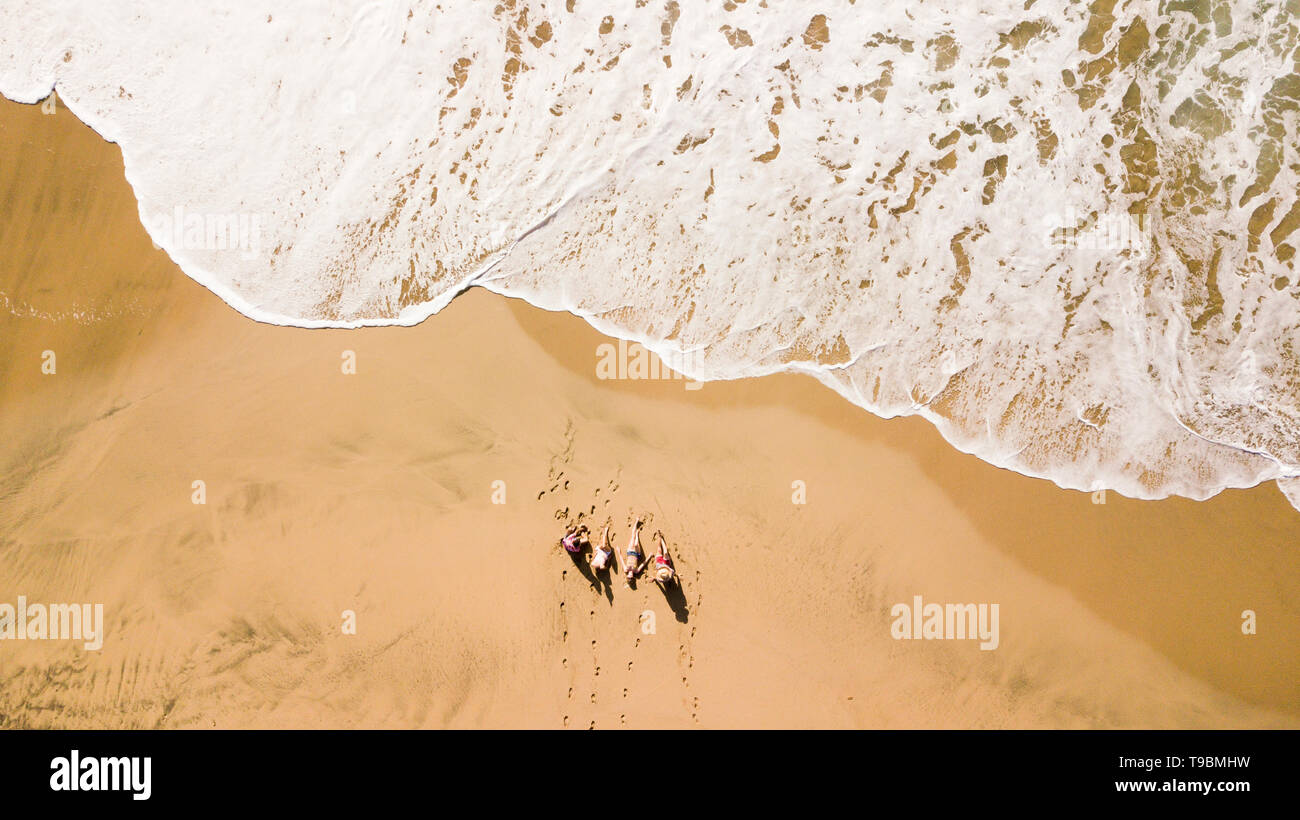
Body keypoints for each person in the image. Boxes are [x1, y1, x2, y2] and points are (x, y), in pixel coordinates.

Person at [620, 518, 649, 583]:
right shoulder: (636, 571)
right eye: (631, 577)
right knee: (636, 544)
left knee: (632, 536)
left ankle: (636, 521)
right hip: (637, 554)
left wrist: (619, 552)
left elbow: (621, 560)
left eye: (629, 576)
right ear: (633, 577)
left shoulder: (626, 569)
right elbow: (643, 564)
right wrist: (649, 556)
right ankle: (637, 535)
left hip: (629, 552)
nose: (630, 575)